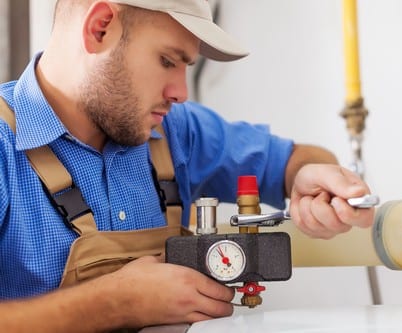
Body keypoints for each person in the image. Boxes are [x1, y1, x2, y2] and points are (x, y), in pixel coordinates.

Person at [0, 0, 374, 331]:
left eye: (186, 67)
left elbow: (297, 160)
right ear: (100, 28)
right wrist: (114, 304)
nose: (181, 92)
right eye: (167, 61)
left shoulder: (176, 132)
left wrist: (309, 176)